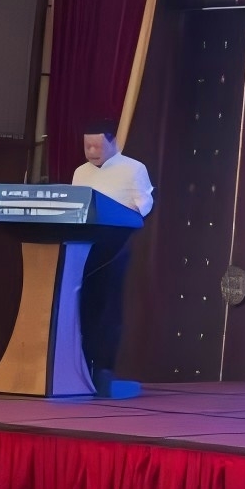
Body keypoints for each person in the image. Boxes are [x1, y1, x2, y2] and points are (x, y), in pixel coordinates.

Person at [73, 118, 154, 397]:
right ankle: (81, 367)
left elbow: (144, 206)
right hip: (84, 247)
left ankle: (104, 369)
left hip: (117, 247)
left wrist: (119, 213)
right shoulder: (80, 172)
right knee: (85, 307)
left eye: (97, 146)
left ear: (113, 142)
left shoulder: (133, 168)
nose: (91, 151)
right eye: (87, 146)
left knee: (109, 309)